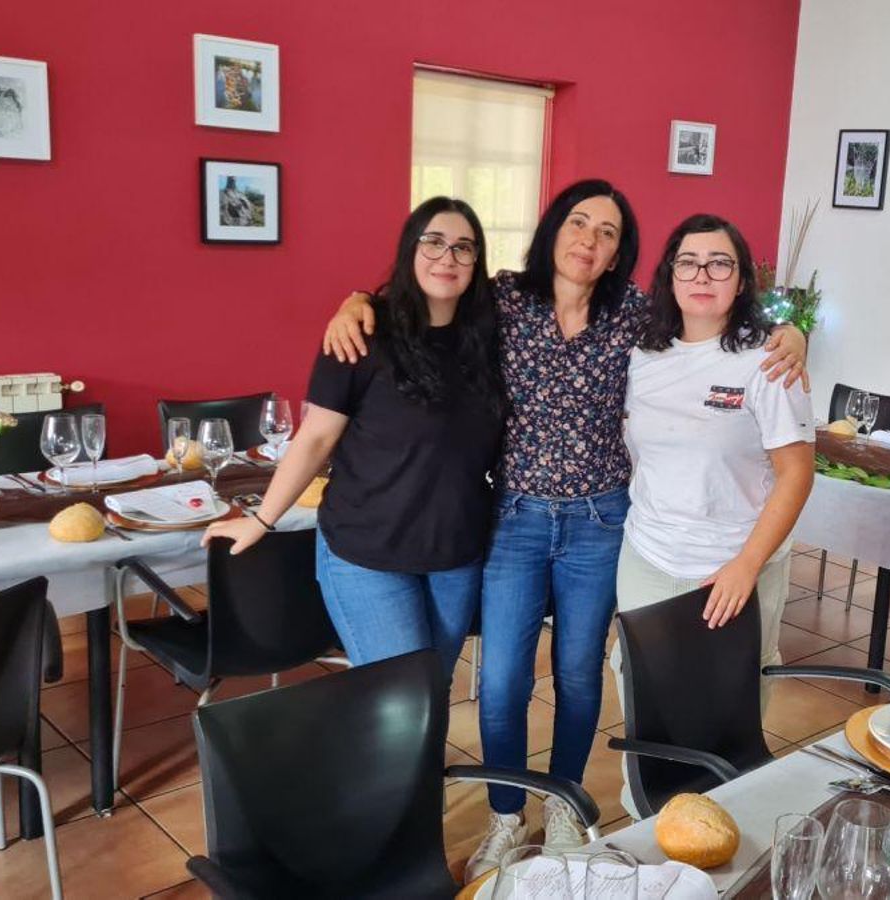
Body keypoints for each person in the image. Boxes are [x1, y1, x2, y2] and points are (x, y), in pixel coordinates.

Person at [321, 181, 809, 877]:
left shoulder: (636, 316)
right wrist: (357, 300)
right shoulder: (503, 299)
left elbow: (723, 329)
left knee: (578, 676)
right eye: (579, 223)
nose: (589, 240)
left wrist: (792, 334)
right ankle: (506, 815)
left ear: (619, 253)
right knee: (502, 681)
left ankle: (563, 807)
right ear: (554, 229)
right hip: (514, 518)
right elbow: (428, 293)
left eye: (608, 233)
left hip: (601, 521)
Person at [204, 196, 504, 678]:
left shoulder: (490, 340)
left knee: (433, 690)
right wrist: (262, 519)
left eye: (463, 247)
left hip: (455, 553)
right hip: (368, 553)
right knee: (399, 693)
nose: (447, 257)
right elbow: (316, 439)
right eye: (433, 242)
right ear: (409, 250)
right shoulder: (362, 335)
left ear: (477, 261)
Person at [612, 214, 816, 777]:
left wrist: (746, 566)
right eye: (689, 262)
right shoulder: (641, 354)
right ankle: (647, 814)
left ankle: (724, 815)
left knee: (729, 709)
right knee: (647, 701)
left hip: (736, 565)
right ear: (670, 275)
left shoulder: (768, 362)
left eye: (720, 263)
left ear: (742, 279)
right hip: (649, 557)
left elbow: (797, 474)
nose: (703, 275)